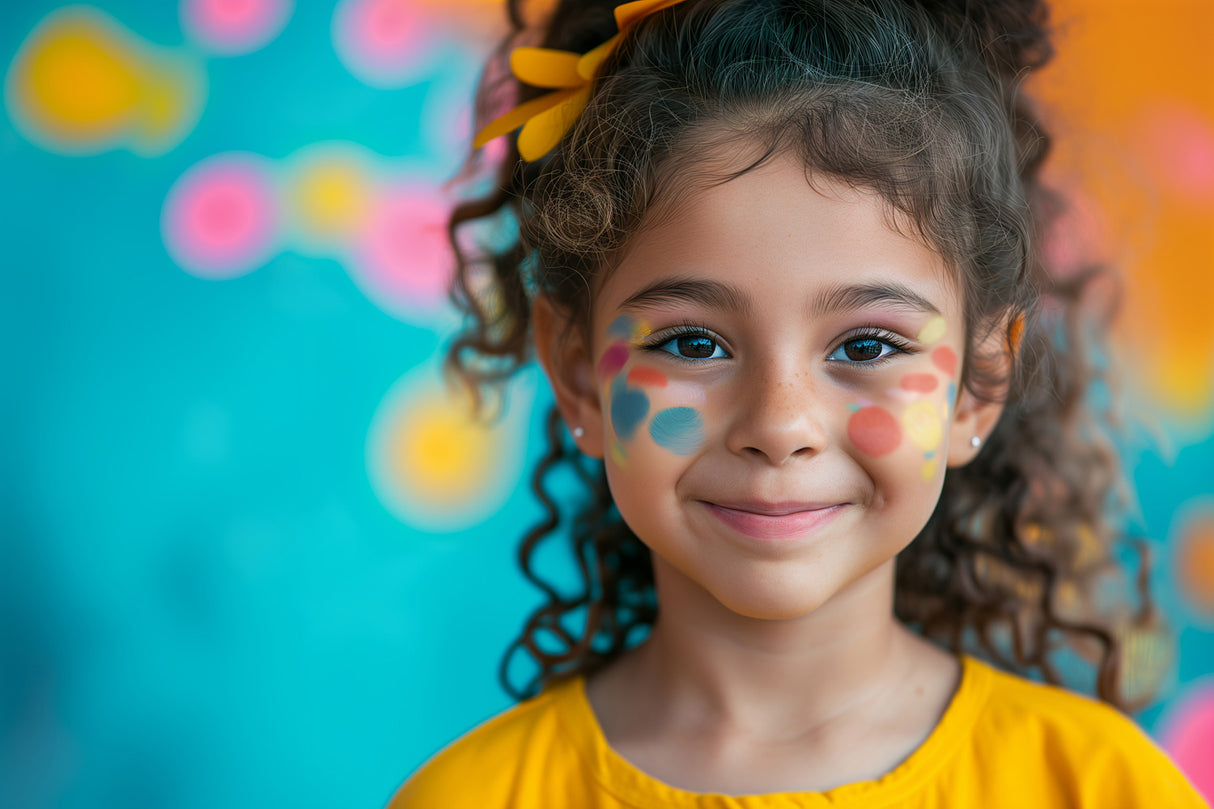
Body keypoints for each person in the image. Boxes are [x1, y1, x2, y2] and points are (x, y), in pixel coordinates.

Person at [388, 0, 1210, 805]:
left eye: (866, 346)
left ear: (979, 383)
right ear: (577, 370)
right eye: (691, 342)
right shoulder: (473, 796)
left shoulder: (1099, 786)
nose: (780, 427)